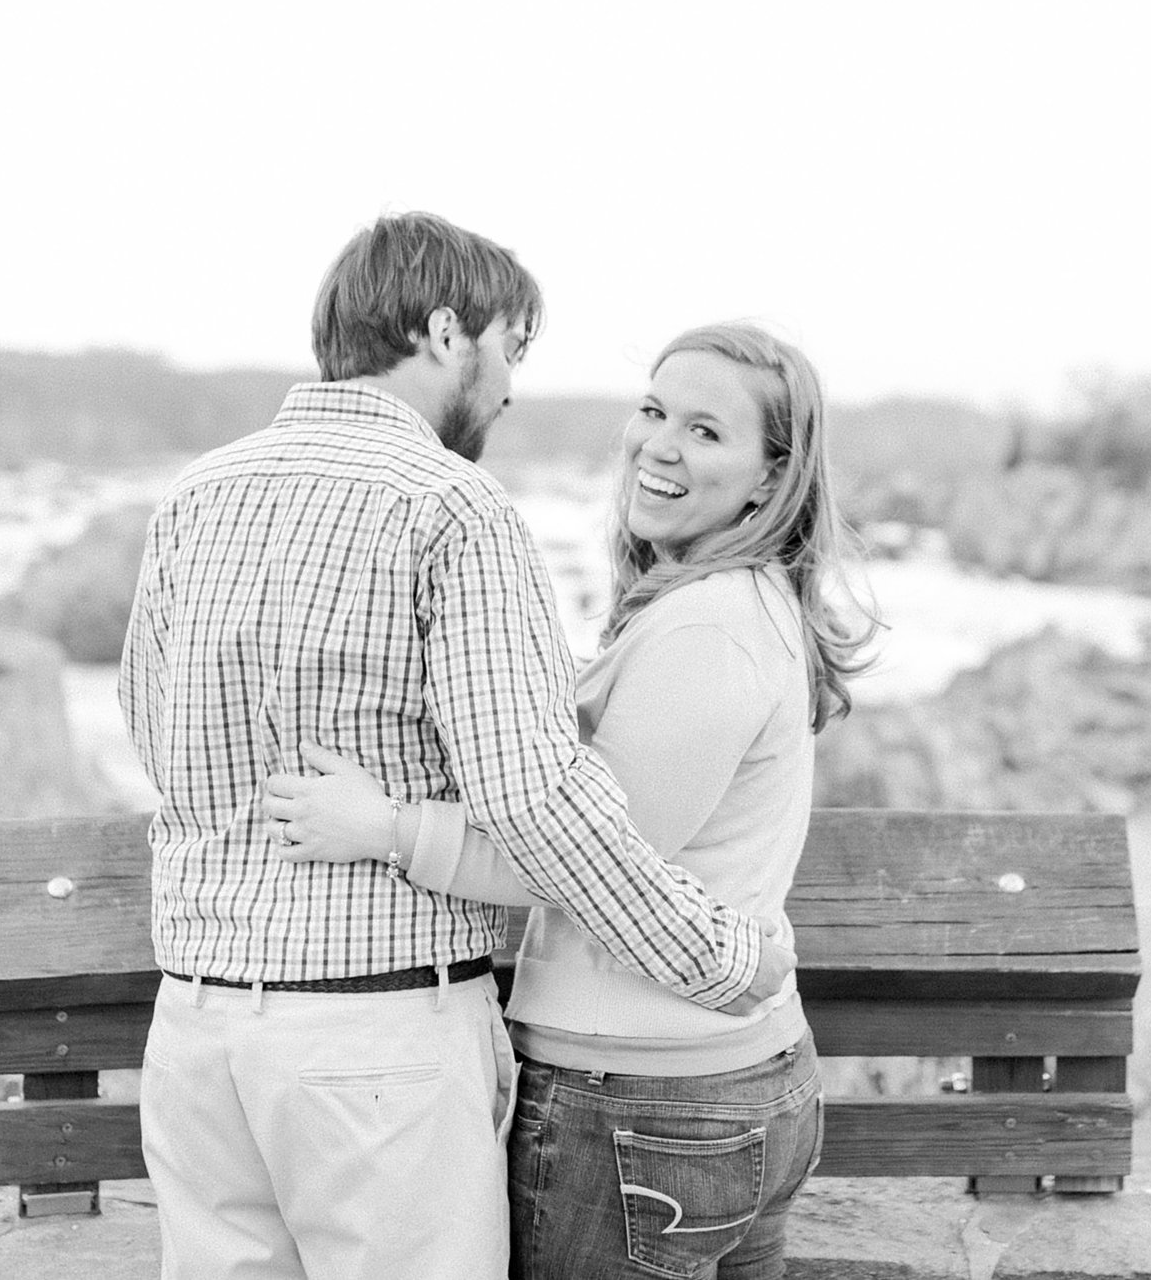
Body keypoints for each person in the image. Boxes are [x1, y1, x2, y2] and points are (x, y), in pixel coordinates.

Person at [118, 216, 790, 1280]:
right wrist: (714, 956)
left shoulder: (195, 497)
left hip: (198, 1031)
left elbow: (154, 736)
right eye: (509, 348)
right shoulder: (449, 507)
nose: (512, 387)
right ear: (444, 333)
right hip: (371, 1044)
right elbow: (535, 800)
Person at [265, 322, 876, 1279]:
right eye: (653, 409)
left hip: (643, 1102)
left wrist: (385, 827)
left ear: (771, 478)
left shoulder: (708, 630)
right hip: (714, 1088)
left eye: (707, 430)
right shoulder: (728, 601)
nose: (659, 444)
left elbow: (583, 860)